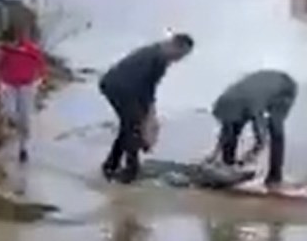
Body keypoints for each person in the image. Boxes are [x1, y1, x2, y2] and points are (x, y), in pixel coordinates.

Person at [98, 33, 195, 183]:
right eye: (181, 55)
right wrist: (146, 119)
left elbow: (149, 87)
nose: (179, 59)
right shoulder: (155, 56)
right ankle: (130, 171)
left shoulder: (159, 55)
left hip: (123, 86)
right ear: (174, 45)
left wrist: (150, 115)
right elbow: (141, 87)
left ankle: (111, 166)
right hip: (117, 86)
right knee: (134, 126)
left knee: (129, 126)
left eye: (183, 57)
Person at [207, 69, 297, 189]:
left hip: (284, 89)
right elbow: (226, 131)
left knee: (275, 129)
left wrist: (251, 154)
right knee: (233, 129)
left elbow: (261, 137)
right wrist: (214, 155)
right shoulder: (226, 101)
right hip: (256, 91)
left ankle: (275, 178)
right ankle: (227, 165)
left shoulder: (253, 107)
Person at [0, 26, 46, 162]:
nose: (7, 45)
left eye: (9, 43)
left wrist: (39, 79)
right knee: (9, 111)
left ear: (15, 40)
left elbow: (40, 63)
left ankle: (23, 148)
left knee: (25, 116)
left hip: (26, 86)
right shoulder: (4, 51)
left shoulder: (30, 49)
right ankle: (12, 125)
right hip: (8, 84)